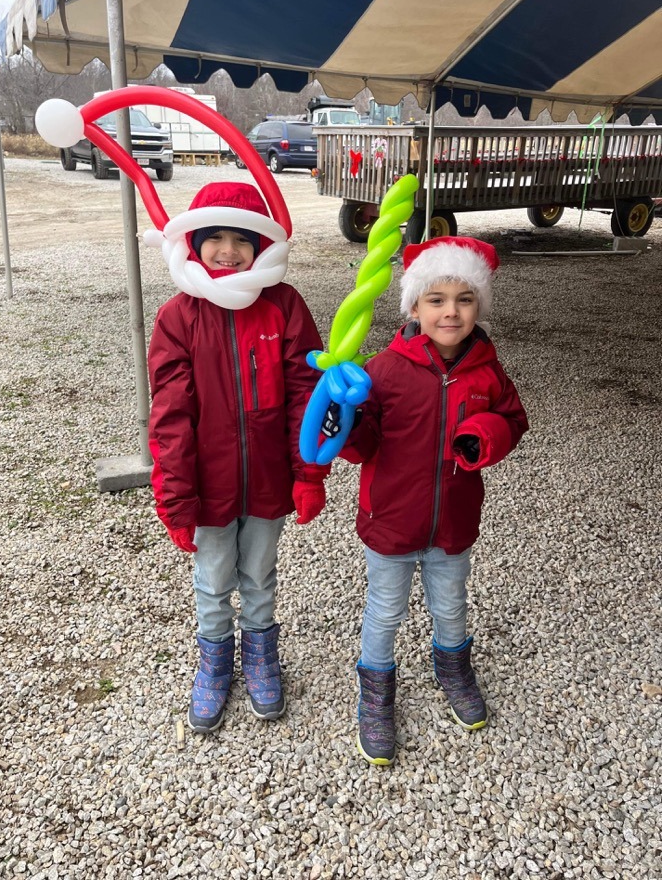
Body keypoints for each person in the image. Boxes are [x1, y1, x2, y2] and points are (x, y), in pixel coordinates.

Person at [337, 236, 529, 765]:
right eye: (436, 299)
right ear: (414, 306)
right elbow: (362, 443)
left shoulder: (488, 372)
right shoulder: (384, 371)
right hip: (392, 521)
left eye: (464, 299)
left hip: (453, 522)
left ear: (479, 307)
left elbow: (514, 421)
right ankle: (375, 691)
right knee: (385, 611)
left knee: (450, 605)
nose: (450, 311)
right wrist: (344, 425)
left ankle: (453, 668)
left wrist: (484, 434)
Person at [148, 181, 329, 734]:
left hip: (271, 480)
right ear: (194, 244)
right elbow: (171, 416)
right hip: (208, 485)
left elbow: (307, 391)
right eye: (216, 238)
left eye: (240, 239)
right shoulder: (178, 317)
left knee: (259, 571)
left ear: (260, 246)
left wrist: (309, 473)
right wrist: (177, 500)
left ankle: (259, 652)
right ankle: (215, 658)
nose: (228, 251)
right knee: (212, 574)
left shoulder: (285, 305)